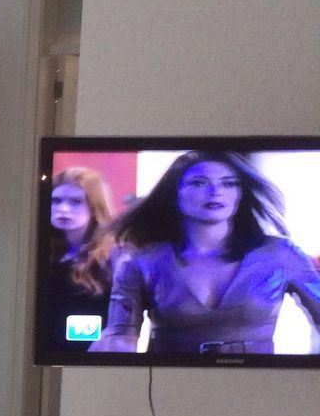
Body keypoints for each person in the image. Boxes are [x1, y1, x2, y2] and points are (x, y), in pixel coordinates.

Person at [89, 151, 320, 354]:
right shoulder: (142, 262)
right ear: (174, 194)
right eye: (198, 183)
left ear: (240, 193)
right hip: (169, 382)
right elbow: (120, 337)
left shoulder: (280, 254)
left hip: (259, 382)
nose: (215, 191)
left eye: (229, 183)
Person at [45, 167, 116, 351]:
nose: (63, 209)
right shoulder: (39, 251)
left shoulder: (113, 257)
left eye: (76, 201)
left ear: (95, 206)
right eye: (56, 200)